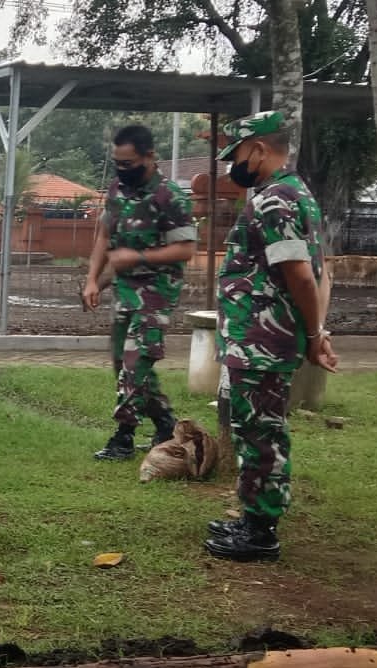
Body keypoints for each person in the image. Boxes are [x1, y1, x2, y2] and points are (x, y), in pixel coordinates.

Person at [204, 111, 339, 563]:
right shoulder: (298, 194)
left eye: (237, 155)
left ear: (259, 149)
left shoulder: (273, 200)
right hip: (269, 335)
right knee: (259, 428)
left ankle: (260, 533)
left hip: (262, 337)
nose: (233, 166)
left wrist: (315, 331)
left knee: (259, 432)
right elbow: (320, 270)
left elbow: (300, 274)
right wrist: (313, 333)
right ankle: (252, 519)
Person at [80, 125, 197, 461]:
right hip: (124, 289)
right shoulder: (117, 189)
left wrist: (139, 257)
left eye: (129, 163)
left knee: (135, 360)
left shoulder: (169, 196)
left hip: (157, 290)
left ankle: (124, 436)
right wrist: (93, 280)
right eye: (118, 162)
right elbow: (104, 236)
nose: (122, 169)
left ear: (150, 156)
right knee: (123, 361)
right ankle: (164, 425)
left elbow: (186, 249)